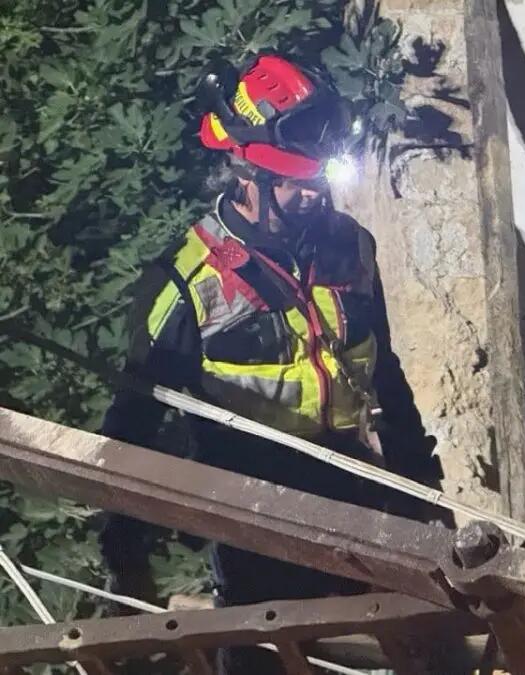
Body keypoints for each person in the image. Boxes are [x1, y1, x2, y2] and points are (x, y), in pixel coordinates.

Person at [96, 52, 446, 674]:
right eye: (295, 183)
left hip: (356, 491)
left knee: (395, 653)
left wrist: (421, 485)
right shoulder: (185, 283)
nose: (315, 195)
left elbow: (383, 371)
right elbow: (132, 429)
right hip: (251, 513)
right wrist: (125, 558)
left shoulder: (351, 248)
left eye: (320, 180)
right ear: (246, 177)